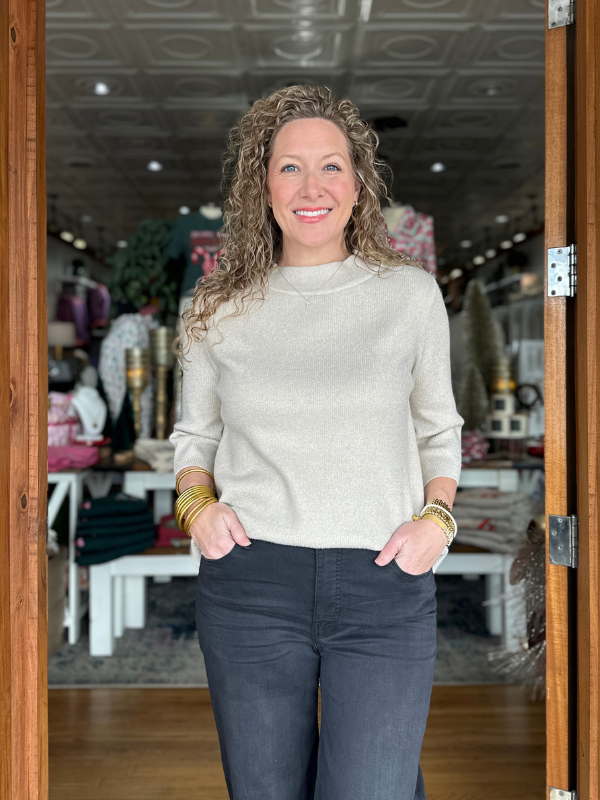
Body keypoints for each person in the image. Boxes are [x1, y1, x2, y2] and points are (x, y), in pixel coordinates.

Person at [170, 84, 464, 800]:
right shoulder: (215, 306)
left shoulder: (409, 295)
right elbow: (195, 436)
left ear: (358, 185)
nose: (312, 187)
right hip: (251, 583)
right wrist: (196, 507)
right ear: (262, 186)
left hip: (384, 580)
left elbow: (438, 428)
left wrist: (439, 521)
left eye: (332, 166)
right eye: (290, 167)